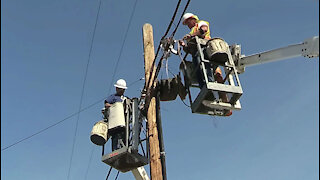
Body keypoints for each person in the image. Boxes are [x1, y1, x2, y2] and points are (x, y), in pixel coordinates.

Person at [179, 13, 232, 116]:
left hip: (205, 50)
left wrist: (191, 36)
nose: (188, 25)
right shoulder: (192, 32)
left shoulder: (200, 24)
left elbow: (203, 30)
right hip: (196, 53)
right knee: (199, 72)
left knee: (207, 70)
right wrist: (184, 46)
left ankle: (215, 92)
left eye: (188, 23)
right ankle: (207, 92)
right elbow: (190, 50)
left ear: (193, 19)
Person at [104, 79, 128, 151]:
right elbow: (106, 104)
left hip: (123, 122)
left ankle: (123, 147)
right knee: (116, 137)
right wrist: (114, 106)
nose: (122, 91)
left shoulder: (125, 99)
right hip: (115, 122)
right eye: (120, 89)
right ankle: (116, 149)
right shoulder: (113, 97)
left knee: (124, 136)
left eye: (123, 89)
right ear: (117, 88)